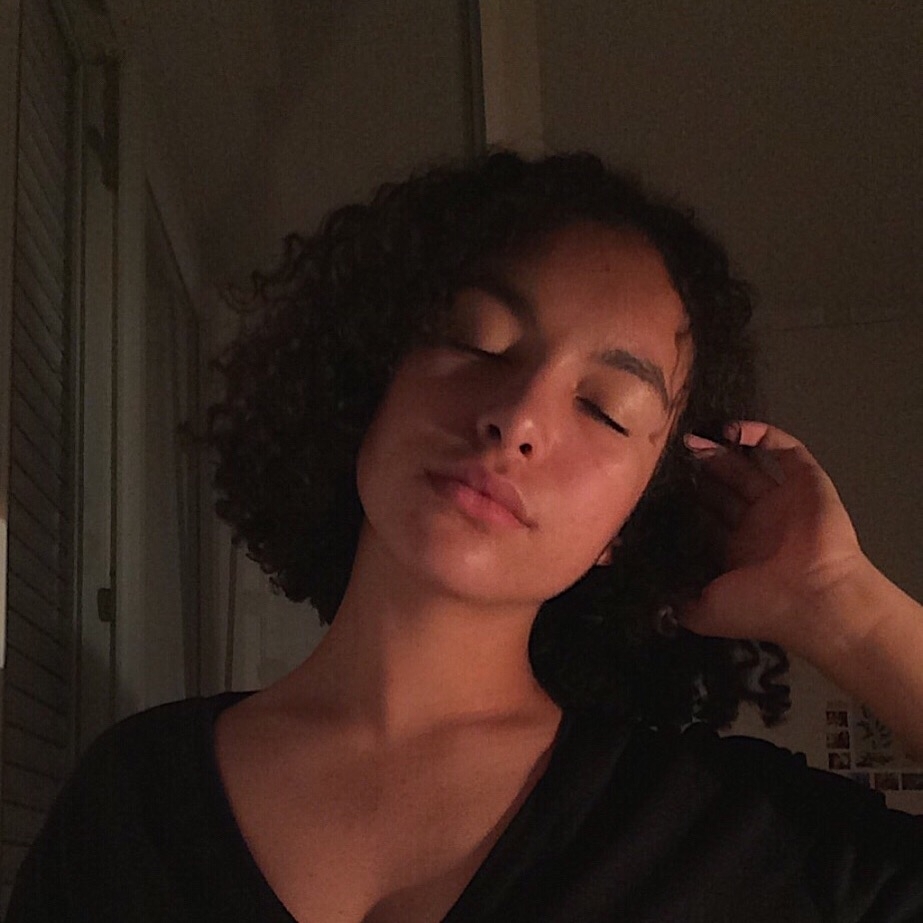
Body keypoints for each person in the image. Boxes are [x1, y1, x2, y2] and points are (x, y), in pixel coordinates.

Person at [7, 152, 922, 922]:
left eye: (606, 409)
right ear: (371, 385)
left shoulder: (728, 834)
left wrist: (841, 607)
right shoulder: (134, 798)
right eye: (478, 341)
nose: (517, 417)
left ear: (632, 523)